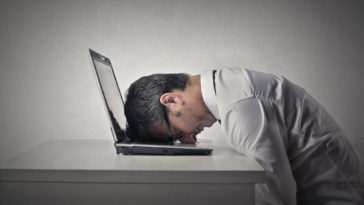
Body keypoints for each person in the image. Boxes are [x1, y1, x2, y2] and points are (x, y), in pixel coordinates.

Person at [124, 67, 364, 204]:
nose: (186, 137)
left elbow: (274, 197)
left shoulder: (241, 107)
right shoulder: (228, 86)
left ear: (170, 100)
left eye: (174, 132)